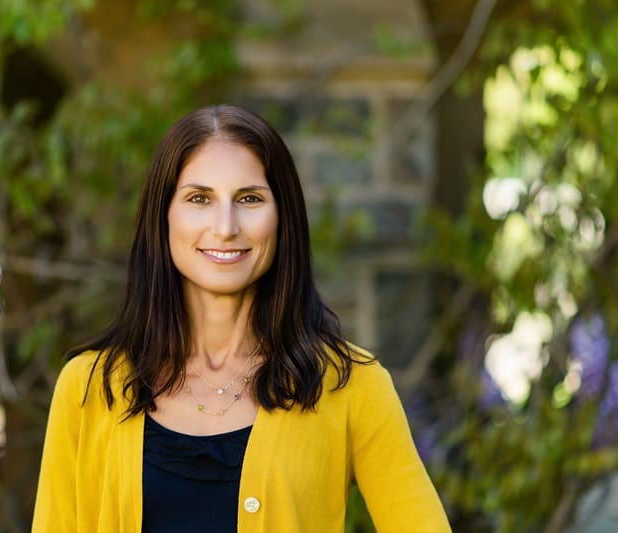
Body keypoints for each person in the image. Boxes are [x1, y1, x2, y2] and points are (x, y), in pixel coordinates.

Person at [32, 104, 451, 532]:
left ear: (282, 217)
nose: (226, 226)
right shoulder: (87, 388)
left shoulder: (350, 385)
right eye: (199, 198)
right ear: (164, 217)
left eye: (249, 199)